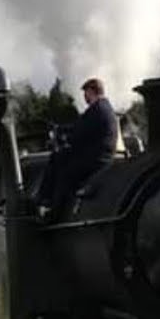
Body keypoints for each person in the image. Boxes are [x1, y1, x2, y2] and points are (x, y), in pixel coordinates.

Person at [39, 77, 119, 219]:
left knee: (65, 171)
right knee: (59, 157)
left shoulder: (97, 109)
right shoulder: (104, 107)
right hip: (101, 154)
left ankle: (53, 211)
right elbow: (80, 128)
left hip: (96, 158)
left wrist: (62, 136)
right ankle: (45, 199)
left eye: (86, 92)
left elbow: (79, 134)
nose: (84, 96)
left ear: (92, 91)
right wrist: (60, 130)